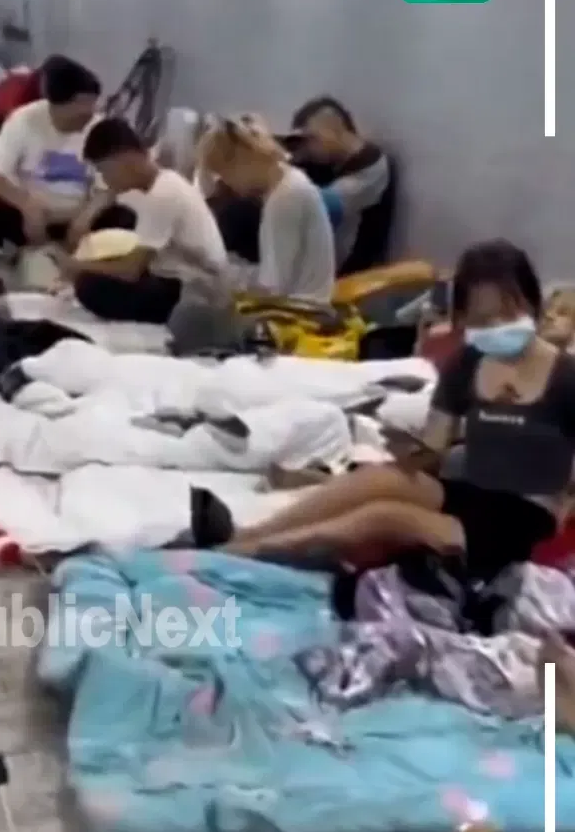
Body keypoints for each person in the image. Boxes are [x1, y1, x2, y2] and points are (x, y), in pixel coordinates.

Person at [225, 240, 575, 584]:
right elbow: (433, 449)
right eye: (483, 320)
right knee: (382, 479)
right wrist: (408, 451)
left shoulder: (566, 375)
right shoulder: (468, 365)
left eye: (508, 314)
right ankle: (246, 534)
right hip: (473, 493)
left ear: (532, 305)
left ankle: (248, 551)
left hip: (526, 518)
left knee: (385, 518)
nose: (498, 327)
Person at [58, 117, 229, 324]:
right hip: (180, 276)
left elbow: (130, 271)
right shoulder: (166, 182)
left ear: (125, 160)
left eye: (104, 171)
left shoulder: (163, 194)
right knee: (105, 265)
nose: (105, 180)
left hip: (195, 290)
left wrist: (77, 266)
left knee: (90, 287)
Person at [198, 117, 335, 301]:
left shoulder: (286, 197)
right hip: (303, 302)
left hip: (300, 311)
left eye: (225, 174)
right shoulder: (287, 183)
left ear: (243, 160)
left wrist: (223, 272)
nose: (227, 183)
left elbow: (272, 288)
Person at [0, 58, 103, 251]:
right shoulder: (24, 119)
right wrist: (27, 205)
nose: (89, 112)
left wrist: (86, 216)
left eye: (92, 104)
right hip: (35, 217)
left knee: (123, 216)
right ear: (56, 104)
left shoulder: (100, 127)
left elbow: (109, 187)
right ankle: (29, 252)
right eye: (81, 105)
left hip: (78, 215)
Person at [290, 96, 394, 275]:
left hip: (349, 275)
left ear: (334, 130)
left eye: (312, 138)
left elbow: (317, 206)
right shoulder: (333, 161)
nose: (308, 148)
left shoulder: (371, 167)